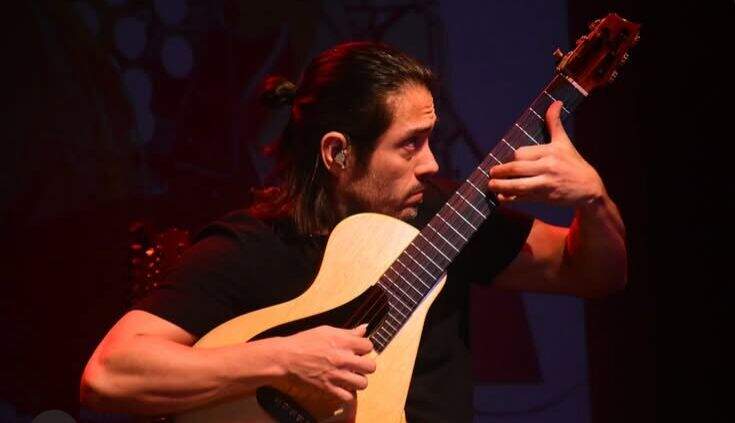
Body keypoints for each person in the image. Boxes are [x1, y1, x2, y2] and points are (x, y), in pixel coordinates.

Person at [80, 41, 626, 422]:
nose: (432, 164)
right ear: (338, 153)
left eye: (430, 139)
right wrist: (283, 359)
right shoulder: (253, 245)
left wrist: (594, 201)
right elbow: (108, 376)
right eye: (409, 144)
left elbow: (592, 274)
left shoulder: (444, 217)